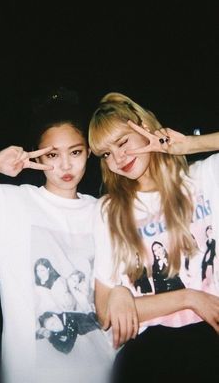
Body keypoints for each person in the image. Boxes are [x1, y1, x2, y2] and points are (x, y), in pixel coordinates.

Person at [0, 90, 115, 383]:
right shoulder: (10, 204)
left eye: (75, 152)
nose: (65, 166)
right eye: (52, 155)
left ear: (89, 152)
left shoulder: (106, 212)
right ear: (36, 154)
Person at [88, 91, 219, 382]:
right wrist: (189, 298)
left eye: (122, 142)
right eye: (106, 153)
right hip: (150, 351)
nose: (118, 158)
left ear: (145, 128)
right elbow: (105, 313)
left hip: (210, 338)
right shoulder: (109, 210)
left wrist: (190, 144)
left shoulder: (203, 179)